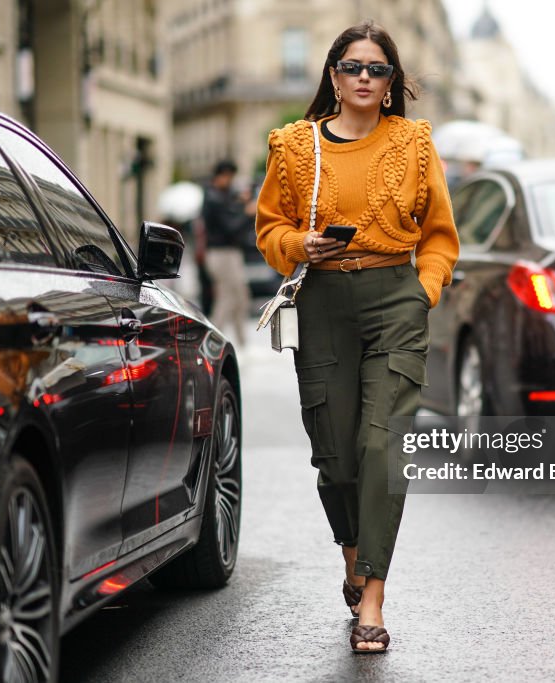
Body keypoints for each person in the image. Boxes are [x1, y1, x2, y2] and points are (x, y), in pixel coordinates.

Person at [254, 21, 459, 653]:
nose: (365, 78)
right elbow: (269, 229)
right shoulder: (295, 147)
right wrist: (298, 245)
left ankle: (372, 596)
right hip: (323, 303)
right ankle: (353, 549)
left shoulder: (416, 144)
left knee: (381, 446)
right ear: (333, 76)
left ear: (392, 83)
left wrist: (422, 292)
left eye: (378, 69)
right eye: (353, 67)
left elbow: (441, 235)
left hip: (396, 299)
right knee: (337, 457)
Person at [202, 159, 252, 347]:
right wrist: (246, 213)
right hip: (222, 254)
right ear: (220, 175)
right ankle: (214, 340)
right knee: (229, 297)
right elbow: (230, 227)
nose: (230, 181)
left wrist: (240, 204)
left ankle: (240, 342)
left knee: (239, 296)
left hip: (228, 254)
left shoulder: (220, 196)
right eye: (228, 176)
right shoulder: (213, 198)